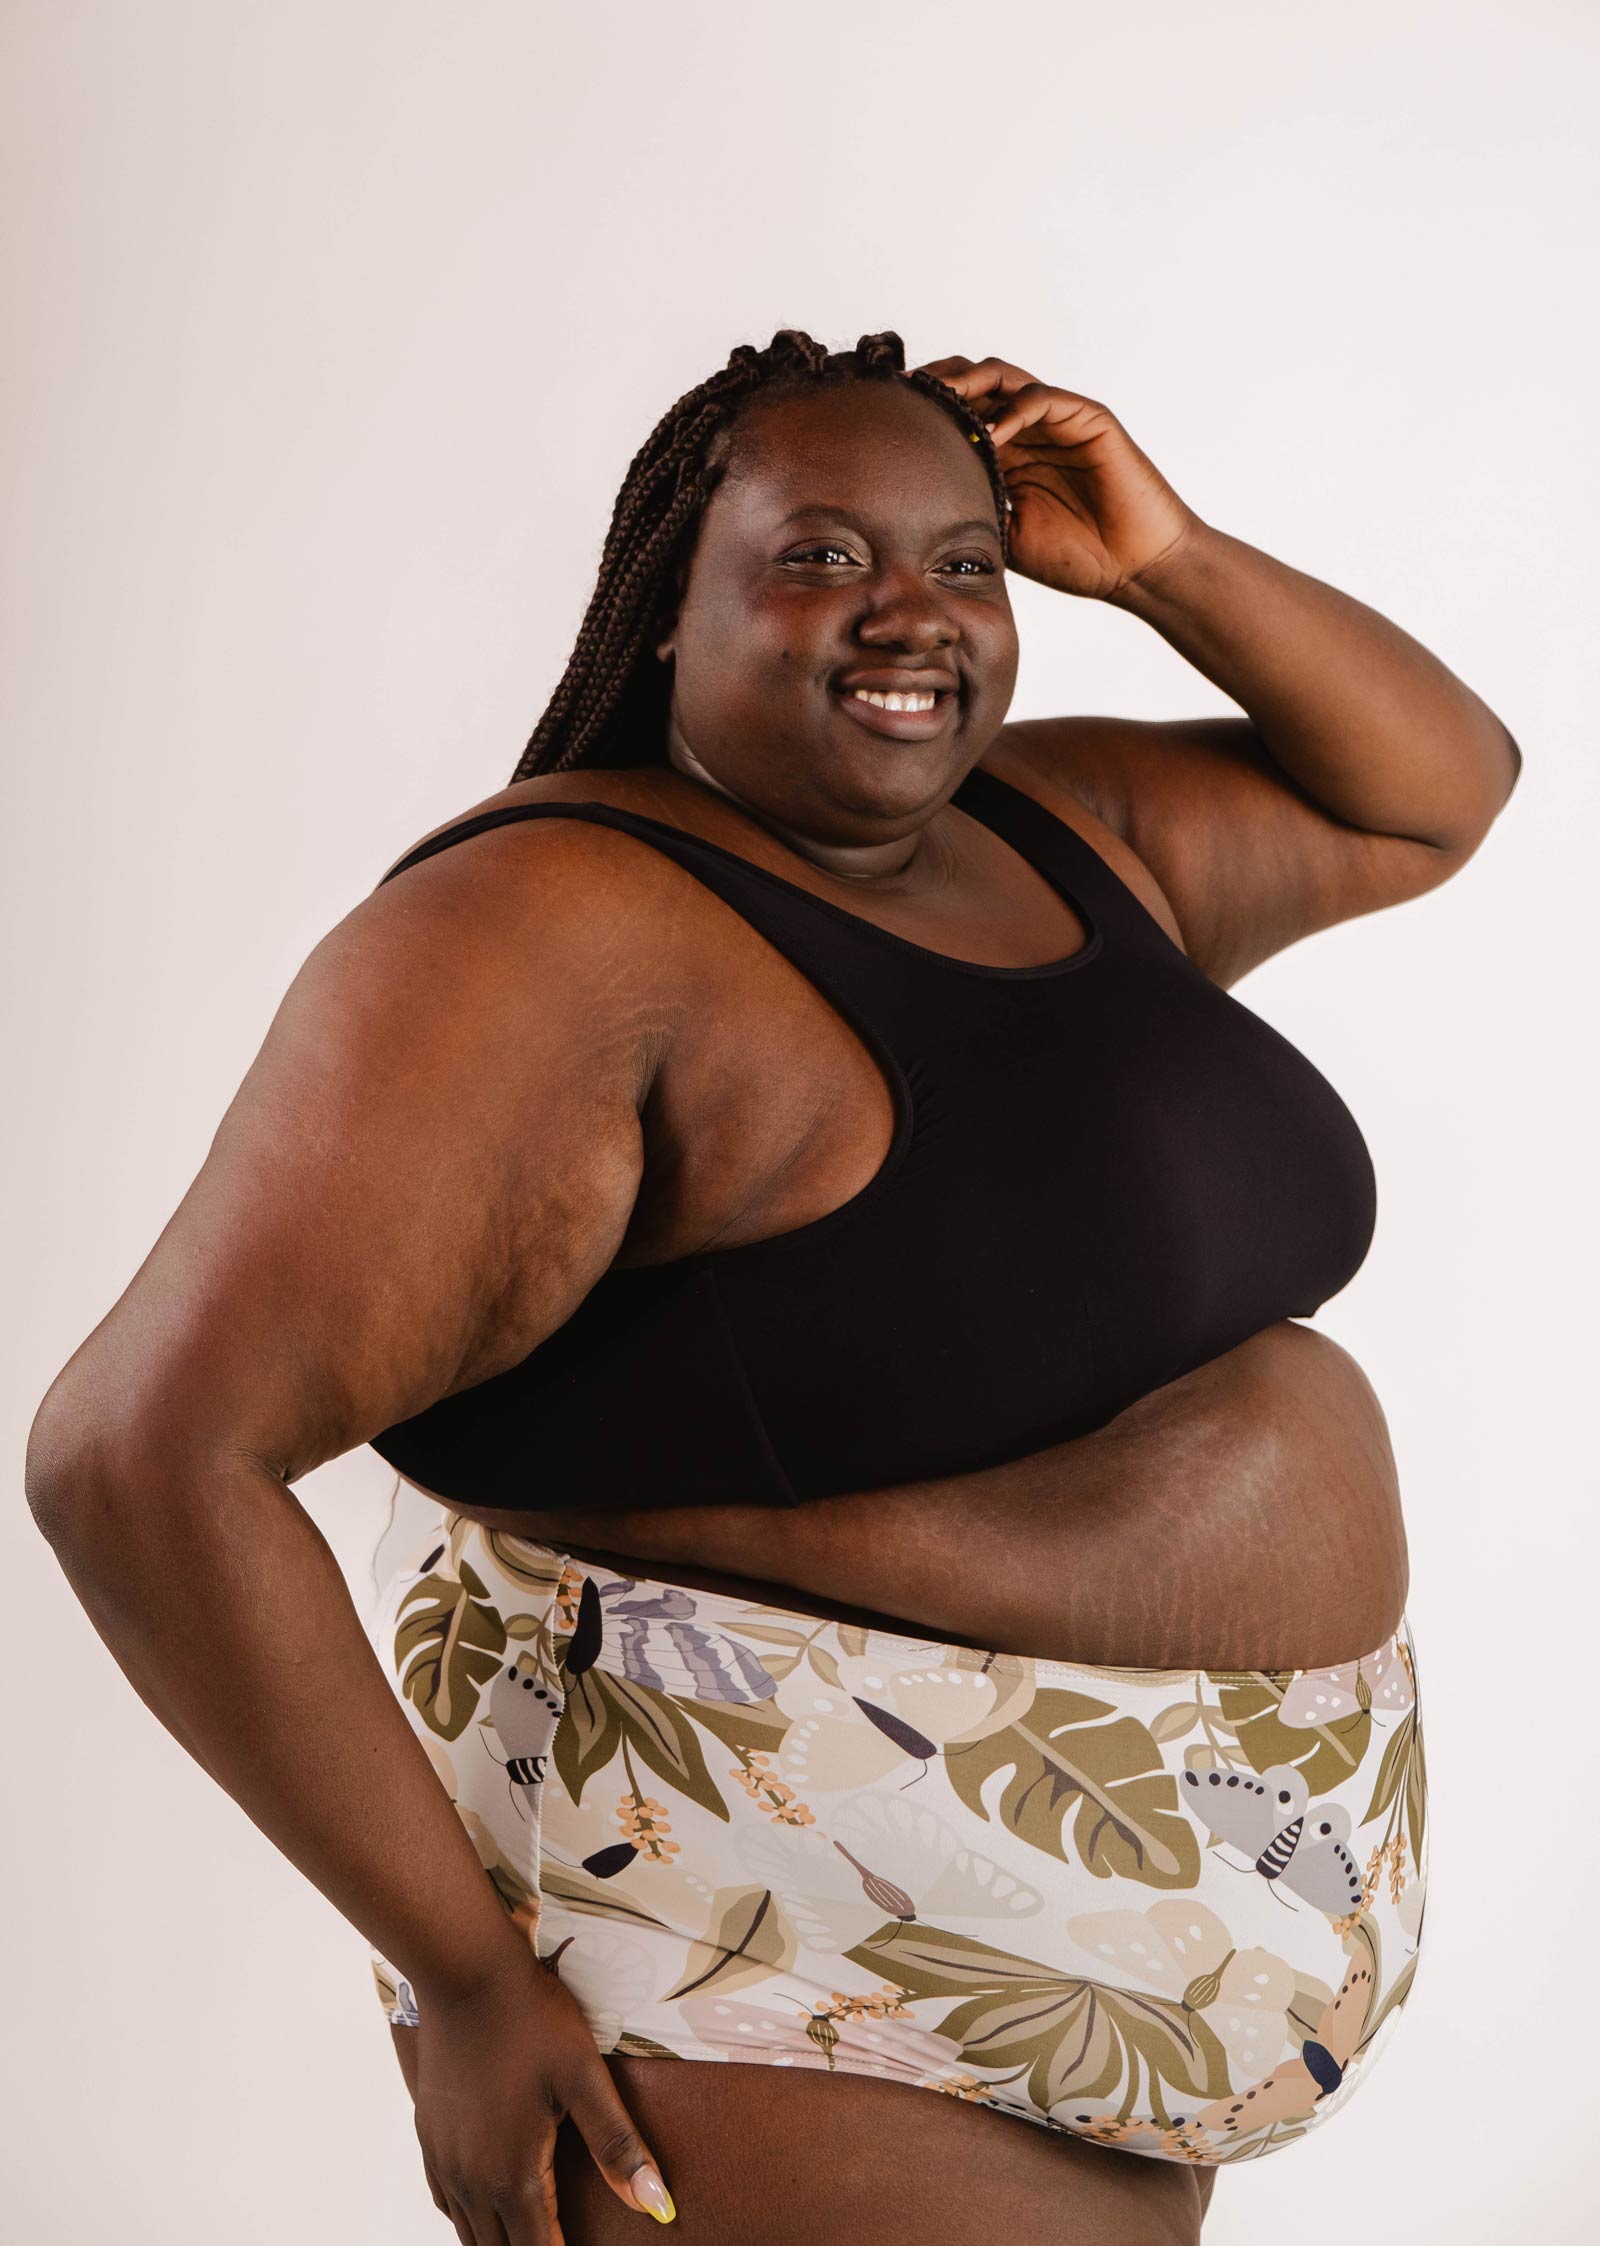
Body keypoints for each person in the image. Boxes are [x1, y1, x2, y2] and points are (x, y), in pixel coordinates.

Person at [26, 328, 1519, 2246]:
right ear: (669, 604)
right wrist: (472, 1985)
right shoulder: (543, 934)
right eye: (820, 554)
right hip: (769, 1912)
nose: (910, 613)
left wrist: (1166, 557)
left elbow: (1433, 793)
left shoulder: (1064, 836)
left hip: (1113, 1895)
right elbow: (134, 1455)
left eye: (962, 560)